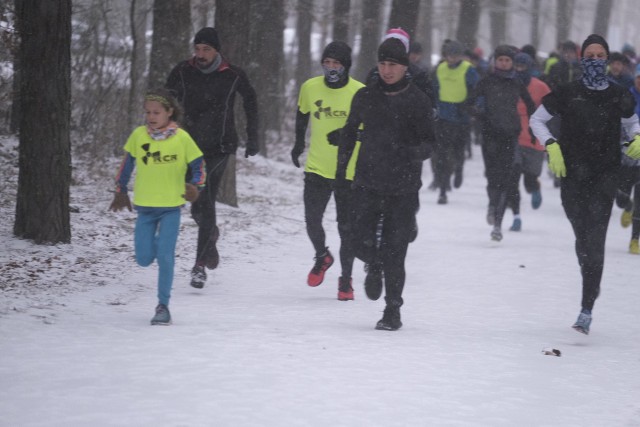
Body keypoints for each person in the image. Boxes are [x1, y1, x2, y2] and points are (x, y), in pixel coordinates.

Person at [530, 34, 640, 335]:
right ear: (582, 59)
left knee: (595, 243)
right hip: (572, 175)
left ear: (607, 59)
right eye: (589, 55)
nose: (595, 60)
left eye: (600, 55)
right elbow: (536, 121)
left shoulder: (618, 94)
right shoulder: (567, 92)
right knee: (583, 240)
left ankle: (586, 307)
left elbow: (632, 122)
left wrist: (636, 138)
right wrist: (551, 145)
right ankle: (589, 276)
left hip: (605, 174)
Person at [336, 37, 434, 330]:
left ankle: (393, 309)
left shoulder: (418, 100)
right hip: (366, 180)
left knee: (396, 250)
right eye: (382, 64)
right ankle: (373, 263)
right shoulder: (365, 96)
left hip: (402, 186)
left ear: (405, 67)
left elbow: (430, 144)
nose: (387, 70)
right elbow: (350, 132)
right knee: (357, 242)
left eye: (393, 65)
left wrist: (409, 153)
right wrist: (342, 171)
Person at [166, 27, 259, 289]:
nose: (201, 54)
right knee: (195, 203)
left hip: (220, 147)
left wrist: (253, 138)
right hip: (188, 146)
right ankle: (211, 234)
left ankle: (198, 266)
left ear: (217, 50)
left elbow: (250, 100)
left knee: (205, 201)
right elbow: (164, 100)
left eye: (206, 49)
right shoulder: (182, 71)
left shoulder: (232, 74)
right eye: (197, 48)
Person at [109, 89, 206, 325]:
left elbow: (198, 166)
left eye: (156, 112)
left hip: (171, 207)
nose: (151, 116)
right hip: (145, 207)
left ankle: (163, 306)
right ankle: (154, 247)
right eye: (147, 112)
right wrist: (120, 189)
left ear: (169, 112)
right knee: (143, 258)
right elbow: (126, 164)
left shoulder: (182, 138)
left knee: (165, 256)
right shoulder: (138, 135)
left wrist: (196, 187)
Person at [291, 41, 364, 300]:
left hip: (349, 170)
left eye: (337, 64)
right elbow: (302, 114)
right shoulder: (310, 87)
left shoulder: (360, 92)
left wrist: (348, 135)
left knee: (347, 228)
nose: (331, 68)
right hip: (317, 167)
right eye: (327, 63)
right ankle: (322, 256)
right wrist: (298, 143)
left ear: (346, 66)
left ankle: (346, 280)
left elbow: (370, 128)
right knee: (312, 220)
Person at [471, 45, 535, 241]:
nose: (504, 63)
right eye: (501, 60)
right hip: (490, 136)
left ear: (512, 63)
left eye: (508, 60)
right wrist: (482, 115)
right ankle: (492, 205)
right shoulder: (486, 81)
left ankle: (497, 224)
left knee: (506, 179)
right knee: (492, 177)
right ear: (495, 61)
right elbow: (468, 103)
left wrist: (532, 128)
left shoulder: (516, 82)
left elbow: (531, 105)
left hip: (510, 135)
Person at [506, 52, 551, 232]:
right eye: (516, 66)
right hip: (513, 137)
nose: (518, 70)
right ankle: (516, 216)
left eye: (522, 67)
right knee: (512, 179)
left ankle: (535, 188)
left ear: (529, 67)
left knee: (529, 180)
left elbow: (553, 109)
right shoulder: (508, 84)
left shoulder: (540, 87)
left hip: (533, 138)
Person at [432, 39, 479, 204]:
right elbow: (434, 89)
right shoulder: (439, 69)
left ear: (460, 56)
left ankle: (459, 169)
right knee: (443, 154)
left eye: (455, 55)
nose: (451, 58)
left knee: (459, 151)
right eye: (449, 55)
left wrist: (469, 106)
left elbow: (476, 90)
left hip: (461, 117)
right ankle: (443, 191)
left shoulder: (469, 70)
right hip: (444, 117)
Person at [616, 63, 640, 254]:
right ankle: (627, 205)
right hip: (626, 154)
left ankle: (634, 239)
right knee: (621, 196)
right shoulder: (625, 95)